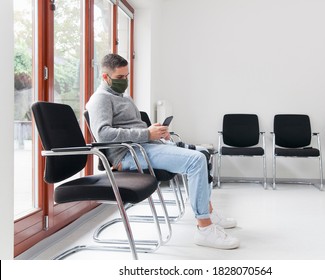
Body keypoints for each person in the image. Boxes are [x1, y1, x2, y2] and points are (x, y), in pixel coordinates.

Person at [86, 53, 239, 250]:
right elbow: (103, 134)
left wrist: (156, 132)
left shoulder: (123, 96)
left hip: (146, 145)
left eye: (127, 76)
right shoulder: (100, 99)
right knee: (196, 161)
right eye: (120, 78)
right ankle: (204, 229)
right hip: (129, 155)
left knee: (204, 153)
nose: (124, 81)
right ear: (105, 77)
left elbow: (135, 127)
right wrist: (147, 134)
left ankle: (208, 211)